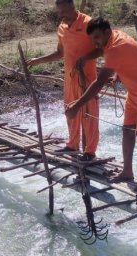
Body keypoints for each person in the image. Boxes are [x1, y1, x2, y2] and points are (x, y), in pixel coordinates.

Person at [65, 17, 137, 192]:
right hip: (134, 90)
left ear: (107, 32)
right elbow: (127, 58)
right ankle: (127, 171)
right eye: (92, 39)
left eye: (97, 38)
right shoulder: (114, 38)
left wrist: (77, 106)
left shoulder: (116, 47)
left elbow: (99, 82)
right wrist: (117, 75)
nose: (95, 42)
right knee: (127, 129)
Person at [27, 0, 100, 162]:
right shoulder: (61, 27)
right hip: (69, 78)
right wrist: (38, 60)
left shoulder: (89, 23)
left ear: (72, 8)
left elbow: (102, 48)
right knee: (70, 111)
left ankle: (90, 151)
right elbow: (60, 52)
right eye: (59, 13)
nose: (61, 16)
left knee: (89, 114)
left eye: (64, 12)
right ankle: (72, 144)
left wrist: (86, 58)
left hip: (87, 79)